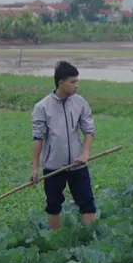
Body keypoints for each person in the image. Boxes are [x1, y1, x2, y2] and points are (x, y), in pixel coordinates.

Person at [31, 61, 97, 230]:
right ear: (61, 83)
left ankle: (93, 238)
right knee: (53, 205)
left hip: (78, 164)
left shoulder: (80, 103)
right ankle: (55, 240)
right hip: (53, 166)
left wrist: (85, 153)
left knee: (87, 203)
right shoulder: (42, 107)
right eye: (73, 82)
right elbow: (38, 138)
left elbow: (89, 130)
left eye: (77, 81)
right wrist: (35, 168)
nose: (76, 85)